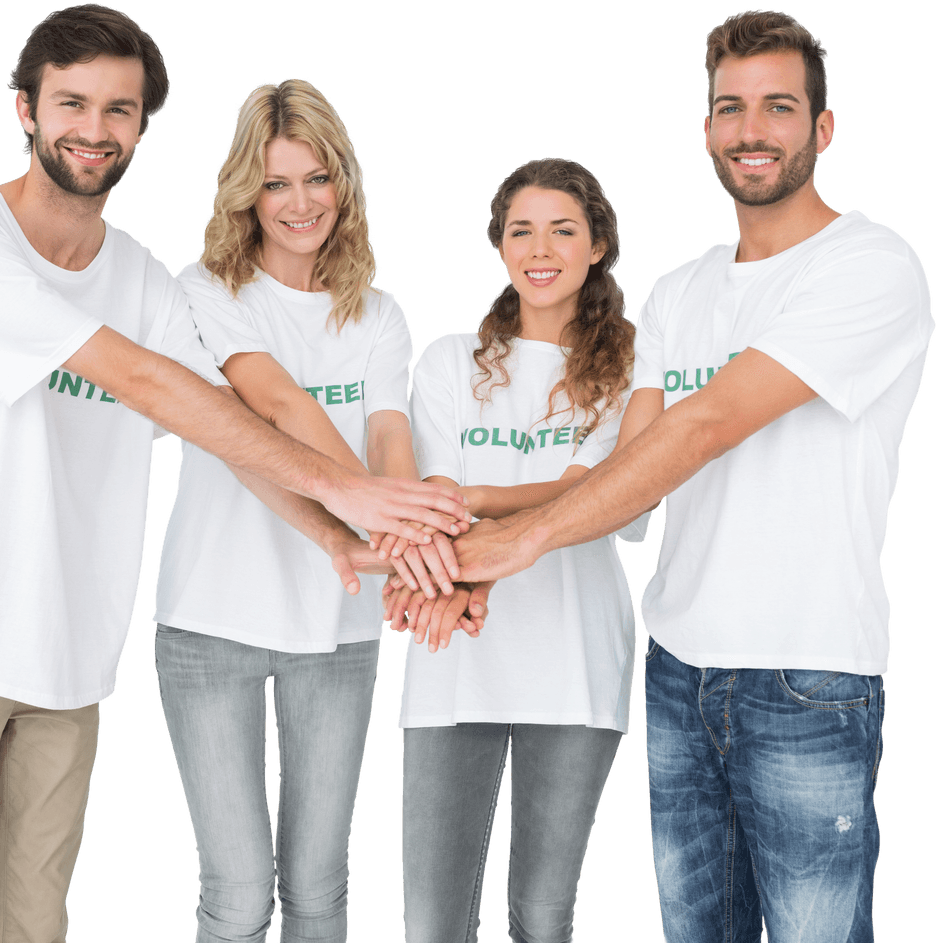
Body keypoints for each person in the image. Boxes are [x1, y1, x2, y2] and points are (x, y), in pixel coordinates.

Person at [0, 8, 468, 942]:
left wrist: (338, 536)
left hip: (67, 658)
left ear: (143, 127)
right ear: (25, 108)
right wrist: (352, 493)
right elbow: (150, 383)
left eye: (120, 109)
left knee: (35, 923)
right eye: (71, 103)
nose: (94, 128)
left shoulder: (140, 277)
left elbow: (228, 426)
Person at [452, 10, 932, 942]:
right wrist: (478, 548)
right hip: (679, 670)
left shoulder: (873, 266)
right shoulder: (680, 292)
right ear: (708, 130)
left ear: (823, 128)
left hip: (807, 671)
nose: (753, 130)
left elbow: (705, 425)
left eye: (779, 107)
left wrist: (513, 541)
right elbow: (629, 471)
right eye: (730, 108)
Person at [151, 77, 458, 943]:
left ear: (343, 185)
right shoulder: (204, 291)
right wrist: (386, 521)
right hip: (211, 623)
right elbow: (275, 405)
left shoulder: (379, 314)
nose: (299, 203)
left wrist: (403, 534)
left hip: (339, 627)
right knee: (239, 891)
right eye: (276, 182)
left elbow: (390, 436)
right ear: (246, 192)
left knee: (319, 887)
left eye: (317, 178)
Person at [385, 158, 647, 943]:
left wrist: (477, 506)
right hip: (452, 654)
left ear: (597, 245)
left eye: (563, 230)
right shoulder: (448, 361)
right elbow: (437, 496)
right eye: (521, 230)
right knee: (432, 924)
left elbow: (594, 498)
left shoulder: (635, 370)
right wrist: (469, 522)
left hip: (574, 666)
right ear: (498, 244)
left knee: (542, 916)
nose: (540, 249)